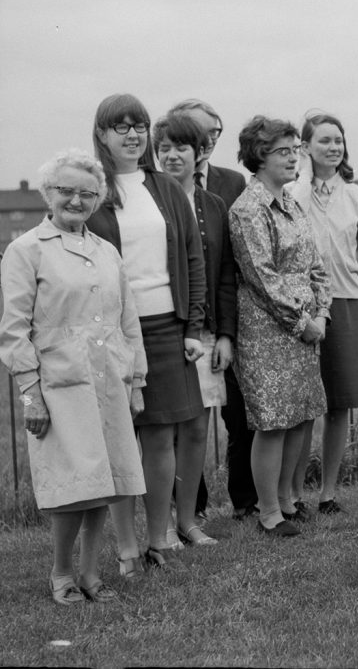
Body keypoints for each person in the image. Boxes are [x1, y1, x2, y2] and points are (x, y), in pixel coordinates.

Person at [0, 151, 146, 605]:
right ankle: (61, 573)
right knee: (73, 485)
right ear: (48, 194)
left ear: (98, 199)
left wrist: (135, 380)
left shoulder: (107, 252)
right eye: (66, 191)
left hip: (108, 382)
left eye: (87, 193)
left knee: (103, 481)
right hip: (58, 384)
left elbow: (128, 320)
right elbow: (13, 328)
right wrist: (31, 394)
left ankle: (89, 573)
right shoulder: (26, 250)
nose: (75, 200)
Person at [86, 93, 206, 573]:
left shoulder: (166, 188)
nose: (132, 135)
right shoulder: (91, 188)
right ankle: (126, 546)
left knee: (160, 439)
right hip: (114, 333)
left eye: (140, 126)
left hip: (166, 327)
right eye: (121, 127)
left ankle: (161, 537)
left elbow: (193, 259)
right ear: (102, 135)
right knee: (119, 439)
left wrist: (193, 324)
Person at [229, 116, 330, 536]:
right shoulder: (247, 209)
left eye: (295, 150)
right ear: (259, 156)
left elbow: (316, 265)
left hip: (308, 328)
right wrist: (303, 322)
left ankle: (289, 500)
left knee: (302, 416)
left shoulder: (292, 202)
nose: (293, 158)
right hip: (269, 331)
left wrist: (322, 313)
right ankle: (268, 512)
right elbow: (262, 277)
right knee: (272, 421)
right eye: (283, 151)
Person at [169, 98, 257, 518]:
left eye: (214, 135)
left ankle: (246, 500)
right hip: (177, 323)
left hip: (224, 319)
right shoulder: (159, 190)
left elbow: (232, 262)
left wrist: (229, 331)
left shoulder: (230, 184)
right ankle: (193, 508)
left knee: (239, 419)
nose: (206, 142)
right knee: (184, 424)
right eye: (198, 134)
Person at [291, 112, 358, 514]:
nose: (333, 147)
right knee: (303, 403)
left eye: (338, 140)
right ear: (306, 147)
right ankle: (291, 495)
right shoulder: (293, 194)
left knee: (339, 403)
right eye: (323, 140)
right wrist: (305, 180)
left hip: (346, 304)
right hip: (302, 306)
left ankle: (327, 492)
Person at [154, 113, 237, 545]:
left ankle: (188, 521)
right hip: (162, 330)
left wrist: (223, 334)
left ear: (198, 153)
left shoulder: (213, 206)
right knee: (161, 430)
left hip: (204, 333)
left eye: (181, 148)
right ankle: (162, 525)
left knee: (197, 429)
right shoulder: (146, 202)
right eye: (164, 148)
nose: (171, 155)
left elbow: (224, 274)